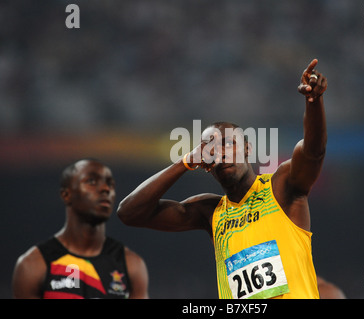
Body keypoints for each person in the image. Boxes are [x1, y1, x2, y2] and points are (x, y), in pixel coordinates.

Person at [117, 59, 327, 299]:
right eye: (212, 149)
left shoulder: (281, 187)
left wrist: (314, 101)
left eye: (229, 143)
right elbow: (129, 213)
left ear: (247, 149)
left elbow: (313, 151)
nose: (222, 152)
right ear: (206, 165)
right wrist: (184, 162)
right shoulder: (210, 211)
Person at [12, 159, 149, 299]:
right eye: (91, 181)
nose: (105, 189)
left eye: (110, 184)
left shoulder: (131, 264)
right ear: (66, 195)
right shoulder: (34, 265)